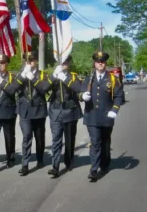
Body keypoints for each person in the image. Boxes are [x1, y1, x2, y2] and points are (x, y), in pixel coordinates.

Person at [75, 51, 123, 182]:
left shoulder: (113, 79)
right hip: (92, 117)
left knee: (105, 142)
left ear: (105, 63)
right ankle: (94, 169)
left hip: (107, 116)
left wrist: (115, 109)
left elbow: (119, 96)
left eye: (102, 62)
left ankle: (105, 164)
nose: (100, 63)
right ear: (94, 64)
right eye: (98, 61)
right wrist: (82, 96)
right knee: (95, 142)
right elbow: (79, 93)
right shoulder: (88, 79)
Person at [9, 51, 49, 176]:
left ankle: (40, 159)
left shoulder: (42, 75)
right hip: (25, 110)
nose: (30, 63)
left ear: (36, 61)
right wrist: (23, 75)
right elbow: (12, 88)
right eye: (27, 61)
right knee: (26, 137)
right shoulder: (20, 74)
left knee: (39, 138)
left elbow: (44, 89)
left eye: (32, 60)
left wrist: (33, 78)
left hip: (38, 110)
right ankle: (25, 164)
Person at [44, 55, 83, 178]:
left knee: (70, 140)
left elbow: (78, 88)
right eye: (62, 62)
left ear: (69, 63)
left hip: (70, 111)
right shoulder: (53, 76)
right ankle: (55, 166)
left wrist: (65, 79)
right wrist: (54, 76)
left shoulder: (73, 76)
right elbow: (43, 88)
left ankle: (69, 161)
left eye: (66, 62)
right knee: (56, 140)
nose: (64, 64)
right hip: (55, 111)